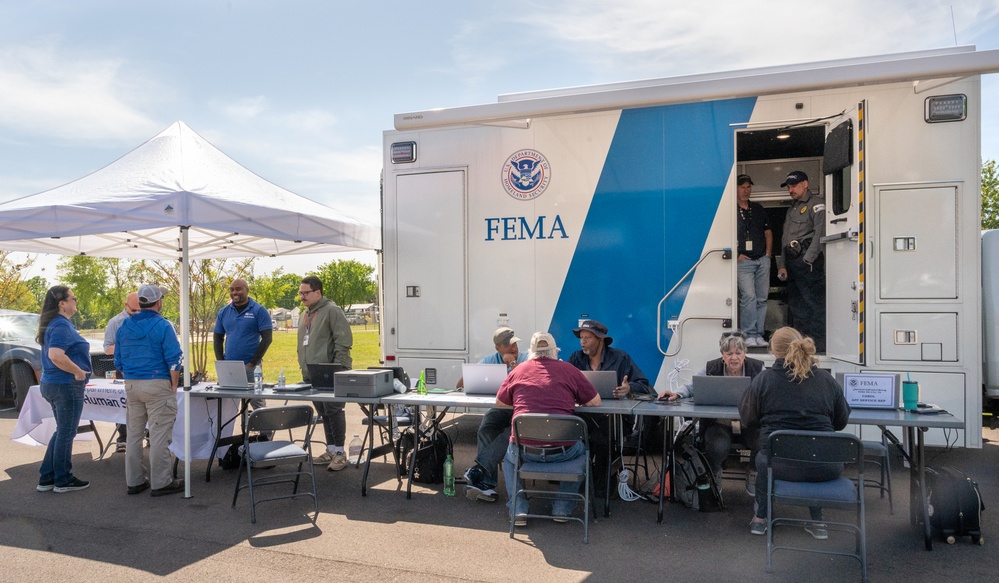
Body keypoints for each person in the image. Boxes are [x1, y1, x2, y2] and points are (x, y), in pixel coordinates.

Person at [739, 326, 850, 538]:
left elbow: (747, 419)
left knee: (764, 458)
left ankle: (760, 519)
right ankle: (817, 523)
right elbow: (841, 421)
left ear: (773, 351)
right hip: (826, 467)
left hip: (779, 466)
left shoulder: (764, 380)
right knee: (811, 455)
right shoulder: (827, 380)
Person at [498, 332, 601, 526]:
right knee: (583, 450)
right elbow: (595, 402)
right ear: (555, 351)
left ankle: (518, 509)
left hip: (526, 451)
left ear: (531, 352)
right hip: (563, 451)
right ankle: (562, 507)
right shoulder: (569, 370)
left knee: (509, 459)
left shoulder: (518, 371)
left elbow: (500, 402)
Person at [658, 330, 764, 484]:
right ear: (722, 355)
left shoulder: (758, 369)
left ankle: (753, 471)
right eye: (729, 353)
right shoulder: (711, 368)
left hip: (750, 423)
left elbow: (768, 392)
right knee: (717, 446)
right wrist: (676, 394)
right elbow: (690, 387)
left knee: (763, 443)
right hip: (720, 424)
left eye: (738, 353)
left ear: (744, 354)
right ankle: (714, 475)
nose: (734, 357)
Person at [567, 319, 653, 495]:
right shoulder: (576, 358)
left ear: (600, 339)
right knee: (577, 431)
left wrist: (629, 388)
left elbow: (645, 386)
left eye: (587, 338)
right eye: (581, 337)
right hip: (585, 415)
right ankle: (582, 479)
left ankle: (600, 484)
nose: (582, 341)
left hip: (615, 419)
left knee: (602, 436)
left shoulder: (621, 358)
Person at [114, 284, 185, 497]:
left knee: (134, 435)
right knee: (159, 435)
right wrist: (173, 386)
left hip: (132, 384)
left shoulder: (124, 326)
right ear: (158, 302)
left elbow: (117, 360)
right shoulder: (163, 325)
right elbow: (175, 359)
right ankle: (161, 482)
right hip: (156, 382)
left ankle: (134, 481)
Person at [460, 327, 529, 502]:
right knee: (485, 428)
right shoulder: (489, 360)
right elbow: (461, 383)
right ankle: (487, 485)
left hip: (521, 410)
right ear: (498, 347)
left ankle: (480, 472)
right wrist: (472, 378)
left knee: (511, 432)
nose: (513, 348)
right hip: (500, 408)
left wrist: (512, 365)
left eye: (514, 343)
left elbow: (527, 381)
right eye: (508, 345)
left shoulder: (526, 359)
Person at [35, 286, 93, 493]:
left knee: (62, 432)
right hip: (65, 385)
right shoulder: (60, 326)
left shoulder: (54, 324)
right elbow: (56, 355)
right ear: (62, 303)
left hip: (53, 383)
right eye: (73, 298)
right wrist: (78, 372)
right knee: (67, 433)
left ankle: (47, 477)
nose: (76, 302)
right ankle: (63, 479)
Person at [297, 275, 353, 472]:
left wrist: (336, 369)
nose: (302, 296)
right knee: (323, 412)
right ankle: (330, 450)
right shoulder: (304, 314)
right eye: (300, 293)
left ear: (318, 292)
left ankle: (340, 453)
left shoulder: (332, 311)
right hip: (312, 374)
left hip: (331, 373)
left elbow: (343, 341)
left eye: (306, 293)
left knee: (334, 411)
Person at [776, 170, 826, 352]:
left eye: (794, 185)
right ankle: (800, 343)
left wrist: (808, 259)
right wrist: (782, 265)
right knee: (796, 304)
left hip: (808, 261)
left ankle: (816, 344)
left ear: (805, 184)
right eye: (789, 187)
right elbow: (785, 239)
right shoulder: (792, 208)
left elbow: (820, 234)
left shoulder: (817, 204)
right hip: (792, 260)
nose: (791, 189)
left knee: (814, 303)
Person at [213, 278, 273, 410]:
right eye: (232, 289)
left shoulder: (259, 310)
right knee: (226, 405)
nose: (235, 292)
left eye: (238, 289)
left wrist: (252, 362)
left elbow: (267, 338)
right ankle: (228, 430)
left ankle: (265, 431)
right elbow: (217, 337)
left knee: (256, 401)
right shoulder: (224, 312)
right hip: (230, 367)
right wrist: (221, 362)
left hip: (250, 367)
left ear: (247, 290)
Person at [736, 174, 772, 347]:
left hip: (762, 259)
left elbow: (768, 231)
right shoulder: (730, 209)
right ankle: (748, 334)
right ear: (735, 189)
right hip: (743, 261)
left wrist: (768, 253)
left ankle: (759, 334)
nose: (746, 190)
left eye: (748, 186)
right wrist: (736, 256)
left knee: (762, 298)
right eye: (742, 187)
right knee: (748, 297)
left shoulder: (758, 208)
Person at [103, 291, 140, 453]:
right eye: (134, 311)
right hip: (123, 368)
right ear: (126, 306)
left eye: (140, 310)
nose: (137, 314)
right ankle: (122, 438)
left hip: (144, 368)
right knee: (124, 405)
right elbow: (107, 348)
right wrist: (127, 347)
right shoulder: (115, 322)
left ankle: (149, 436)